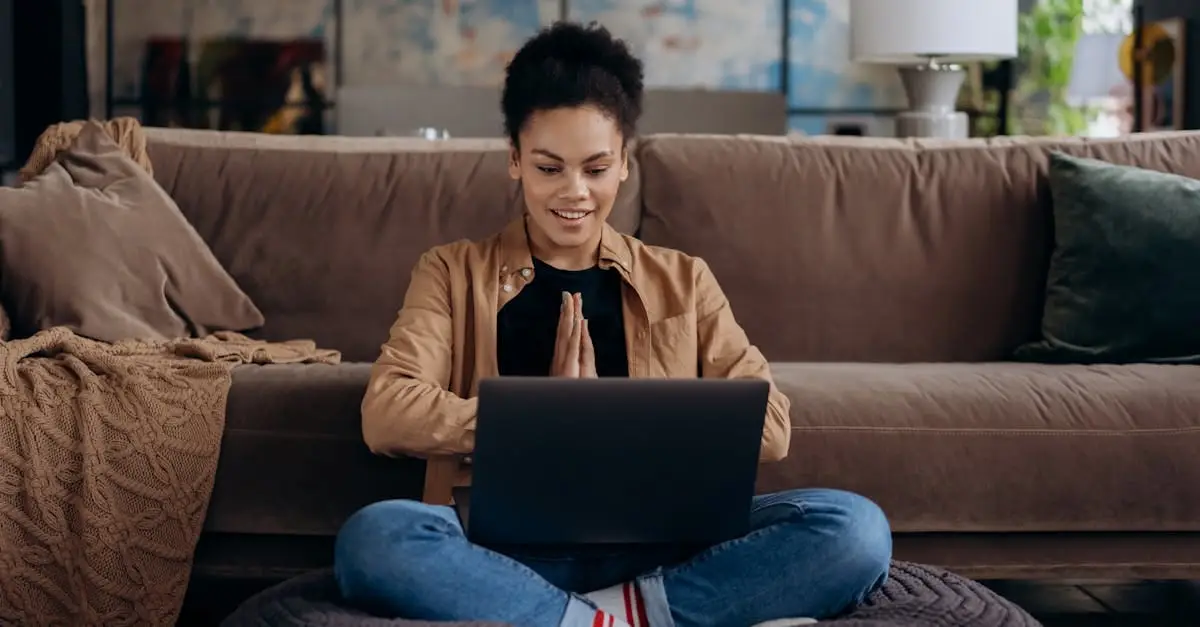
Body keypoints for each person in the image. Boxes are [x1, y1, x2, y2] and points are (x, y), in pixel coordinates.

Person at [333, 21, 892, 627]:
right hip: (500, 553)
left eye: (596, 169)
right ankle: (624, 618)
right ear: (515, 161)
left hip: (666, 553)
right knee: (375, 539)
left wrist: (611, 419)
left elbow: (772, 427)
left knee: (855, 530)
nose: (574, 193)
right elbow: (386, 410)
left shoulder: (684, 280)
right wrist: (541, 419)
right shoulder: (449, 271)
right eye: (549, 168)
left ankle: (582, 618)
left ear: (624, 163)